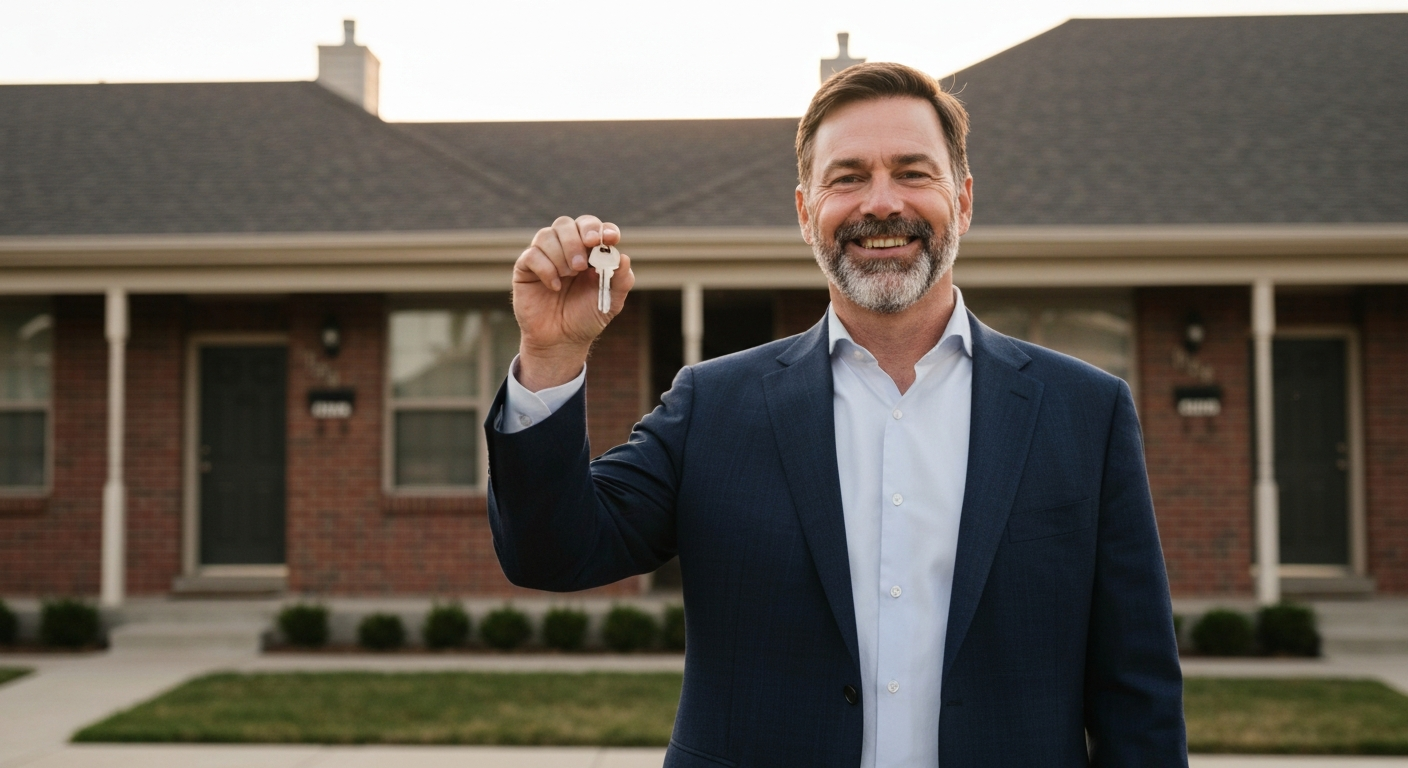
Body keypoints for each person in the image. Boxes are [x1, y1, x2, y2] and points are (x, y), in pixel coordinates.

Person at [486, 62, 1186, 767]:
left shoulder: (1084, 416)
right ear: (803, 211)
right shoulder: (714, 407)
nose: (880, 203)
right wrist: (551, 355)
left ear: (964, 200)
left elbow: (1139, 699)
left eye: (913, 172)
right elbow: (553, 550)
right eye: (847, 177)